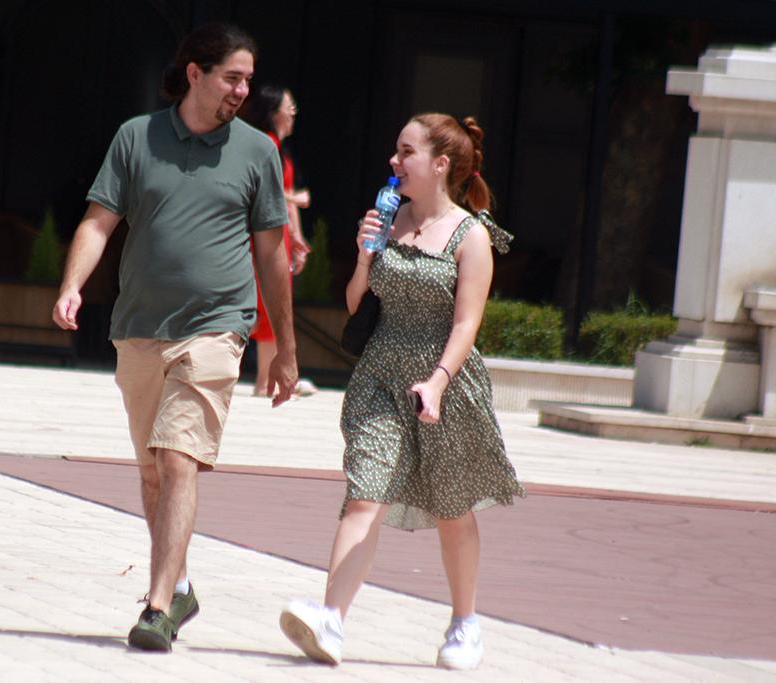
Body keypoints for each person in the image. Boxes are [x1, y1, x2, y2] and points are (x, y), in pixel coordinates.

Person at [51, 22, 298, 653]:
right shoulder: (136, 137)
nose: (243, 90)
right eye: (232, 78)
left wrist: (285, 350)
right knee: (153, 473)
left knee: (178, 458)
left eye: (248, 80)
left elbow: (272, 254)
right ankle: (181, 586)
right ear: (195, 73)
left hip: (217, 326)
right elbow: (99, 221)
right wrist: (73, 284)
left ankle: (157, 607)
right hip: (139, 327)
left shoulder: (258, 152)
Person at [279, 113, 526, 670]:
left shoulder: (471, 236)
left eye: (406, 152)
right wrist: (365, 254)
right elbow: (356, 305)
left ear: (440, 164)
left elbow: (466, 325)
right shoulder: (387, 220)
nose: (394, 161)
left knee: (452, 508)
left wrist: (436, 383)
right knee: (364, 493)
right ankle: (331, 620)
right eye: (396, 150)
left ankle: (464, 624)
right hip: (380, 377)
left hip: (445, 383)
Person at [243, 84, 315, 397]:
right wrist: (295, 198)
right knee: (267, 301)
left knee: (274, 301)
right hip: (263, 232)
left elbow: (285, 198)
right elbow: (261, 190)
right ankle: (264, 380)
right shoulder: (265, 145)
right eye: (290, 106)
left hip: (279, 231)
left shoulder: (280, 149)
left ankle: (268, 379)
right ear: (274, 113)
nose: (294, 111)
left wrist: (297, 239)